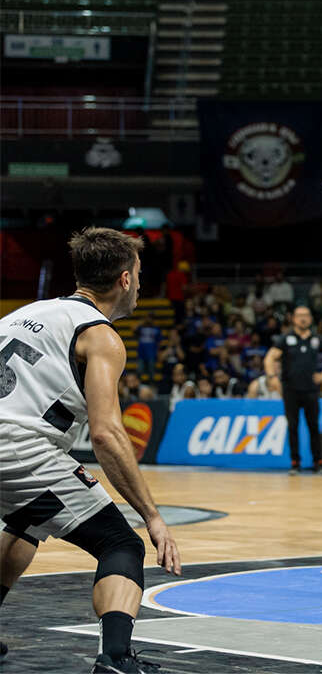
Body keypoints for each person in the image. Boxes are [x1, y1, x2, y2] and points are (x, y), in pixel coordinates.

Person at [0, 227, 182, 673]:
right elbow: (106, 434)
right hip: (17, 445)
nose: (139, 284)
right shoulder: (100, 336)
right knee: (120, 543)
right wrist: (152, 515)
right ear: (124, 279)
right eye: (138, 274)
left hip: (10, 444)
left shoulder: (22, 314)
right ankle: (116, 658)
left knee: (25, 526)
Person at [264, 306, 322, 475]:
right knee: (293, 426)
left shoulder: (316, 339)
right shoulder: (286, 338)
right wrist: (272, 376)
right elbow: (269, 357)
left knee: (313, 426)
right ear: (293, 319)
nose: (303, 319)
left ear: (310, 319)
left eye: (306, 315)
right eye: (299, 316)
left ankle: (318, 462)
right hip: (290, 390)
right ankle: (295, 463)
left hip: (311, 390)